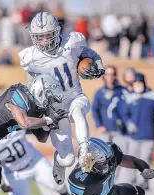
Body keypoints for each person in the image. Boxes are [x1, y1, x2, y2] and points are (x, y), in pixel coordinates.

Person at [18, 11, 105, 185]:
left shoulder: (72, 42)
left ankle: (85, 150)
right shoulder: (30, 57)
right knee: (68, 160)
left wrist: (98, 66)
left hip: (74, 95)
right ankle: (61, 159)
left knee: (79, 112)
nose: (44, 41)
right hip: (55, 108)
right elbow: (32, 84)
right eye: (39, 37)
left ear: (57, 31)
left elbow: (91, 54)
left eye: (48, 36)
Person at [0, 130, 70, 195]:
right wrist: (1, 183)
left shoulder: (12, 124)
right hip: (14, 173)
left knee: (56, 183)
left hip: (34, 161)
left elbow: (29, 124)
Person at [118, 73, 154, 189]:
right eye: (135, 83)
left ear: (144, 83)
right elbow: (124, 113)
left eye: (139, 83)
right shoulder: (131, 98)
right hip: (134, 136)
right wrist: (128, 123)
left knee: (145, 159)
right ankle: (132, 181)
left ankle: (144, 182)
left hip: (149, 135)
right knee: (133, 160)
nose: (137, 85)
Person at [92, 65, 128, 153]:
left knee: (121, 157)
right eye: (108, 74)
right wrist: (99, 125)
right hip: (105, 130)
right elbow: (95, 109)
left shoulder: (122, 91)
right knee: (105, 157)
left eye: (113, 74)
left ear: (116, 75)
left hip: (120, 131)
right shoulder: (100, 92)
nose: (110, 77)